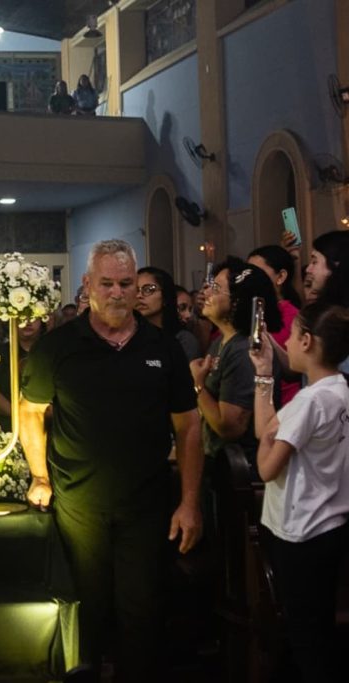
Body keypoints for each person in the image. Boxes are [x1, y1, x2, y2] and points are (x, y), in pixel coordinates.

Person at [19, 239, 203, 681]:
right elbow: (29, 412)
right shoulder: (60, 346)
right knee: (86, 609)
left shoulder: (163, 346)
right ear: (88, 285)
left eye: (127, 283)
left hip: (147, 503)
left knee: (142, 614)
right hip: (78, 504)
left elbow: (189, 425)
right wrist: (40, 476)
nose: (118, 292)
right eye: (107, 283)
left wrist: (190, 502)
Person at [249, 302, 349, 683]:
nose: (285, 342)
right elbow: (269, 428)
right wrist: (263, 374)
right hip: (332, 527)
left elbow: (266, 466)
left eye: (290, 335)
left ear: (306, 341)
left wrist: (267, 443)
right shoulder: (338, 389)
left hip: (300, 532)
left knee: (305, 639)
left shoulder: (310, 401)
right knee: (319, 630)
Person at [189, 259, 282, 468]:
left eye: (216, 288)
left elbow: (229, 427)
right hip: (219, 465)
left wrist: (198, 385)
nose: (206, 292)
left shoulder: (243, 351)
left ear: (236, 301)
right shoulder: (219, 342)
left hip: (241, 471)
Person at [248, 245, 301, 405]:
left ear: (280, 277)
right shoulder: (255, 310)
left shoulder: (291, 316)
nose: (251, 279)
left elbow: (295, 369)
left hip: (284, 405)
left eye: (257, 272)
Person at [135, 267, 200, 361]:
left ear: (165, 296)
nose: (139, 295)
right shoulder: (128, 338)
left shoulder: (183, 340)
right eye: (136, 290)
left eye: (148, 289)